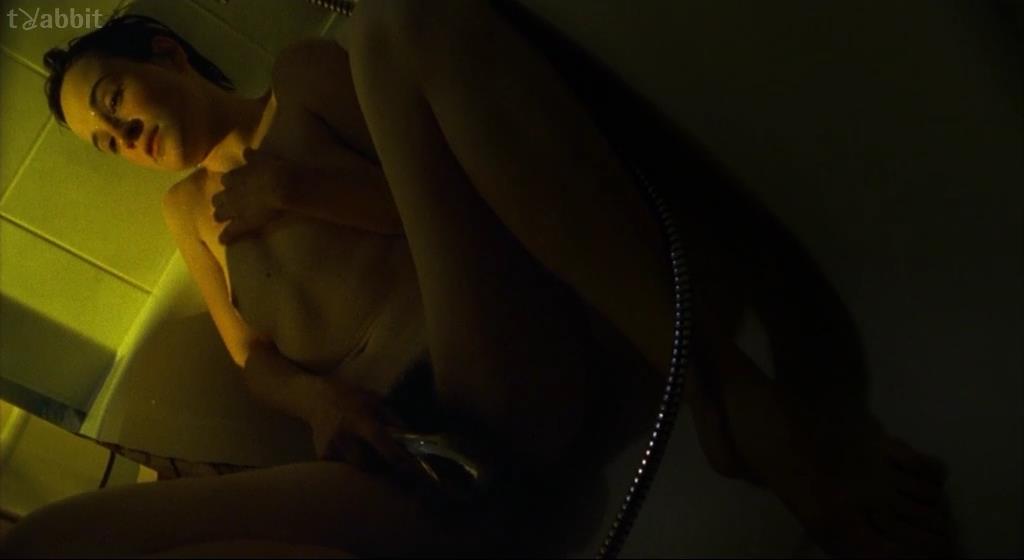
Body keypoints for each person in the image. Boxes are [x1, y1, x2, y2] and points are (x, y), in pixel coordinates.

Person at [0, 1, 954, 556]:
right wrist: (321, 402)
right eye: (103, 141)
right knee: (46, 545)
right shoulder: (184, 214)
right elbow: (252, 362)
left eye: (112, 102)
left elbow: (471, 196)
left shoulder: (303, 84)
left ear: (168, 55)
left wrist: (298, 190)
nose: (121, 136)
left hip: (488, 373)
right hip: (402, 462)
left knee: (398, 20)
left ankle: (727, 392)